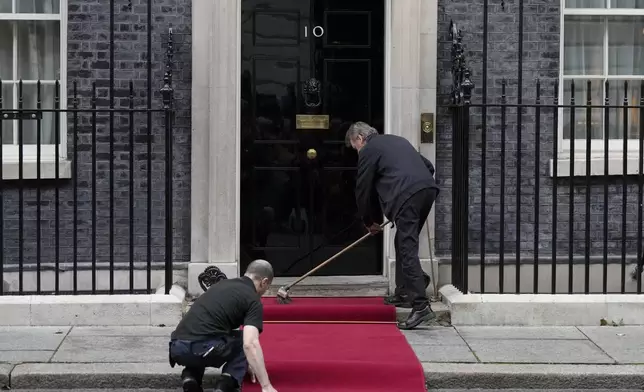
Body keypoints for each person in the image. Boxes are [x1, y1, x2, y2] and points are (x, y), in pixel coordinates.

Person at [345, 121, 440, 330]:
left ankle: (421, 306)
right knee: (403, 241)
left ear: (359, 138)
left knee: (407, 248)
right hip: (427, 190)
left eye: (355, 147)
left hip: (407, 197)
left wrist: (370, 222)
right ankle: (405, 291)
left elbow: (362, 190)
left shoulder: (369, 150)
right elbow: (428, 166)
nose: (357, 151)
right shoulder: (397, 140)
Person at [168, 259, 279, 392]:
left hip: (177, 347)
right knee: (242, 339)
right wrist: (266, 386)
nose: (265, 290)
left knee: (206, 333)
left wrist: (248, 362)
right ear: (264, 282)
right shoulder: (252, 299)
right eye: (267, 287)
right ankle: (226, 384)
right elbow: (250, 344)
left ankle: (191, 377)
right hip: (202, 348)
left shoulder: (222, 285)